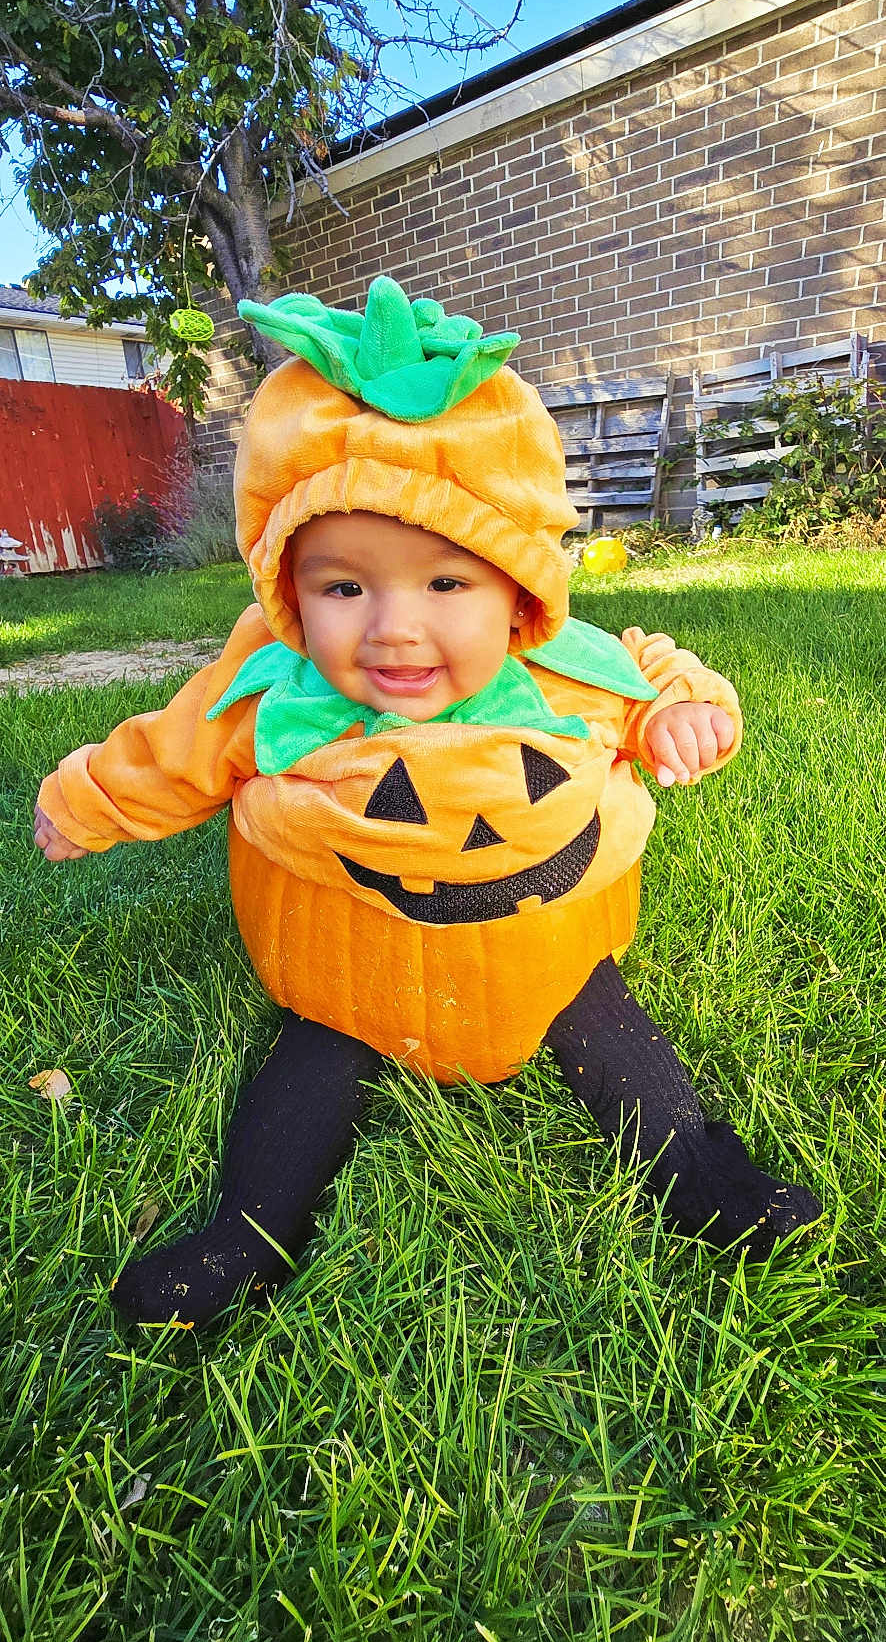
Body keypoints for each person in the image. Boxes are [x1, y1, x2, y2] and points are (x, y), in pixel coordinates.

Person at [33, 276, 821, 1327]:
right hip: (347, 970)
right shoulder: (273, 693)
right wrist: (84, 802)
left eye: (448, 585)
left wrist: (686, 716)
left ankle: (700, 1180)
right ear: (287, 592)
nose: (394, 630)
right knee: (311, 1063)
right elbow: (169, 755)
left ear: (519, 590)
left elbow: (662, 674)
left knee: (609, 1031)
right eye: (344, 588)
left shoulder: (566, 672)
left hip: (541, 951)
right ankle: (247, 1235)